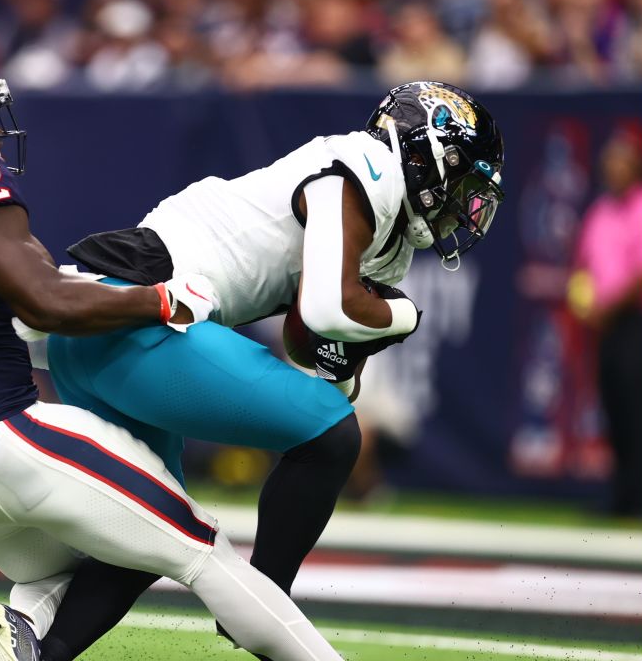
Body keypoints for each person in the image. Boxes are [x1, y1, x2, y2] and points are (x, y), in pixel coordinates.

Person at [0, 39, 346, 661]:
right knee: (202, 547)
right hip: (5, 443)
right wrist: (160, 301)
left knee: (124, 545)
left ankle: (27, 641)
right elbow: (44, 303)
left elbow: (10, 310)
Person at [26, 81, 506, 659]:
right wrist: (399, 317)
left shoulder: (386, 230)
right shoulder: (364, 166)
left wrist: (344, 364)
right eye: (461, 179)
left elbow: (306, 338)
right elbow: (328, 308)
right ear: (426, 151)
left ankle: (38, 652)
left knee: (148, 530)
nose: (464, 202)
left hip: (95, 336)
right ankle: (262, 603)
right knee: (331, 436)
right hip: (142, 314)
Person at [568, 123, 642, 517]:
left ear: (636, 166)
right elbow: (583, 267)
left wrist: (608, 308)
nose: (612, 167)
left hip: (639, 323)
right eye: (609, 160)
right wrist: (584, 301)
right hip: (607, 328)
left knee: (639, 411)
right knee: (613, 408)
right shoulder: (599, 212)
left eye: (621, 160)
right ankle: (622, 498)